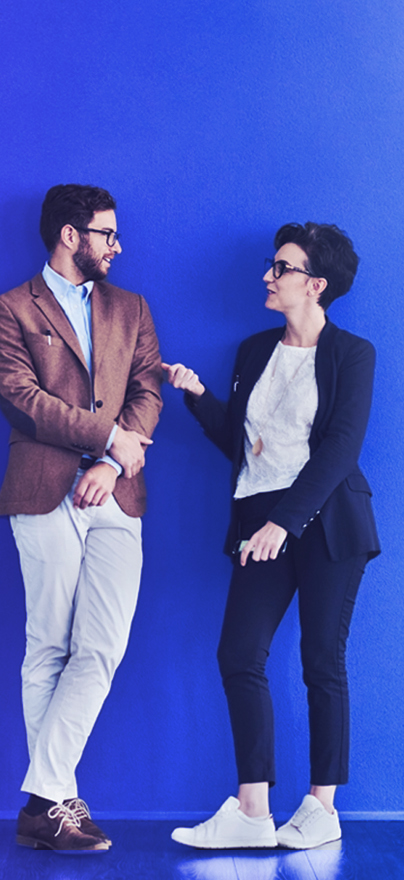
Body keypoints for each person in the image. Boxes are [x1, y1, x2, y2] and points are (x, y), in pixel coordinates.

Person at [165, 222, 378, 850]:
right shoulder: (254, 350)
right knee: (238, 654)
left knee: (321, 660)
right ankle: (252, 811)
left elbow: (341, 449)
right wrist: (198, 396)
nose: (268, 275)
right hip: (259, 520)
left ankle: (322, 808)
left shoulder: (353, 354)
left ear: (316, 285)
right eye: (272, 264)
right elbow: (242, 443)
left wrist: (285, 523)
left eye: (281, 268)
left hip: (327, 521)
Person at [0, 184, 163, 852]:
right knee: (49, 647)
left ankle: (43, 800)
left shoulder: (131, 307)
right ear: (70, 235)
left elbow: (147, 390)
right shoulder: (9, 310)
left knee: (102, 647)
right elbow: (21, 400)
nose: (117, 245)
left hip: (117, 492)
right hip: (42, 489)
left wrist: (113, 461)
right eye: (107, 234)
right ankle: (57, 806)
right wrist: (106, 436)